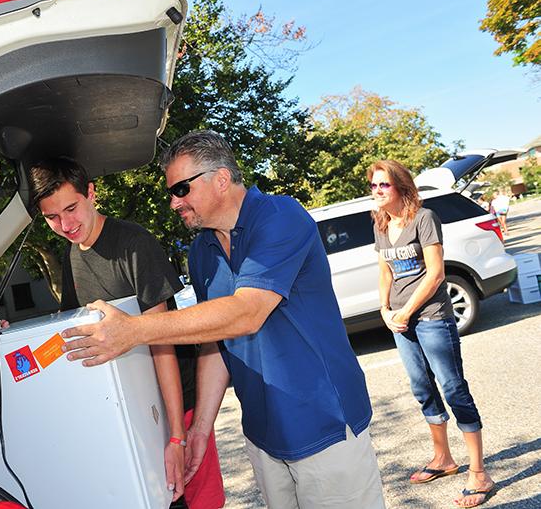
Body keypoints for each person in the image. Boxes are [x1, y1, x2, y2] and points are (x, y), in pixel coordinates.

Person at [61, 131, 386, 508]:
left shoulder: (281, 216)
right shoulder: (202, 252)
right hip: (264, 435)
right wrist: (200, 427)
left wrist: (132, 330)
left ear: (220, 178)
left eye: (181, 189)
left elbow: (246, 313)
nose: (173, 202)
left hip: (325, 426)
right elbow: (216, 341)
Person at [28, 157, 225, 509]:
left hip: (179, 407)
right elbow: (75, 331)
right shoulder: (72, 254)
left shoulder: (135, 243)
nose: (66, 224)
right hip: (134, 413)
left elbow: (160, 338)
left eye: (71, 209)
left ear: (91, 193)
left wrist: (178, 437)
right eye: (52, 218)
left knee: (200, 503)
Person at [368, 160, 495, 508]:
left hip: (431, 316)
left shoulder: (424, 218)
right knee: (422, 388)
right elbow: (385, 271)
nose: (377, 191)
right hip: (400, 321)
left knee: (453, 387)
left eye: (384, 185)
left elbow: (436, 274)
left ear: (401, 187)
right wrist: (385, 309)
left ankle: (479, 473)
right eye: (374, 186)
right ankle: (443, 459)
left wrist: (407, 312)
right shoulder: (381, 223)